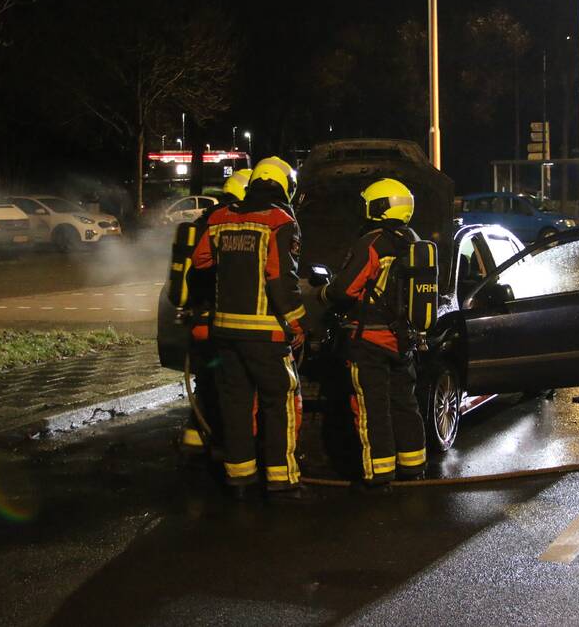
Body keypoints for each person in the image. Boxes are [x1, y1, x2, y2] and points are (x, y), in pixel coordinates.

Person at [190, 156, 308, 498]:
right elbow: (281, 279)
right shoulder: (280, 221)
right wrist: (298, 323)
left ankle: (239, 479)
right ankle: (282, 481)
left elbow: (200, 261)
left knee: (236, 404)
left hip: (226, 332)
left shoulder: (220, 217)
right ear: (285, 185)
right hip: (266, 334)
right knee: (279, 402)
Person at [318, 178, 427, 488]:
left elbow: (344, 290)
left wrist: (323, 294)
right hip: (402, 340)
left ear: (378, 207)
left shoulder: (373, 242)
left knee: (371, 409)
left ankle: (378, 475)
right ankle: (413, 467)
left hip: (369, 341)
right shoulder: (414, 242)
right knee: (405, 405)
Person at [179, 169, 252, 458]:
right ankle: (223, 444)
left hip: (199, 316)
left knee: (207, 381)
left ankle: (195, 438)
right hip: (219, 320)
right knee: (228, 385)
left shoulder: (203, 220)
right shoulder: (229, 223)